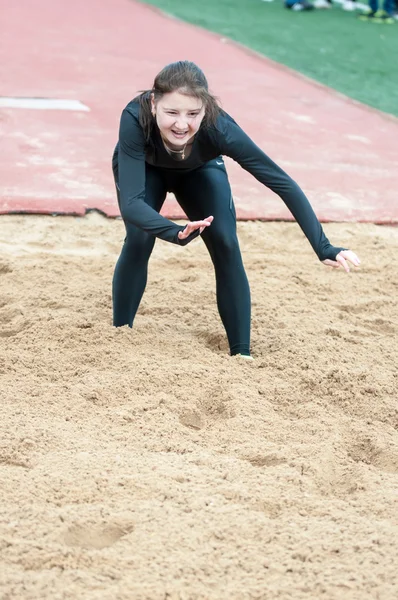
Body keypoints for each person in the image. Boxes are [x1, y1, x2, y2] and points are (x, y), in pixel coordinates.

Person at [112, 61, 360, 360]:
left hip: (199, 170)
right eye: (172, 112)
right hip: (146, 170)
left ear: (206, 108)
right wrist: (175, 232)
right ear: (154, 104)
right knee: (139, 237)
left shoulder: (220, 128)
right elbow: (132, 204)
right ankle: (119, 336)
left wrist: (323, 247)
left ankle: (241, 353)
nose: (181, 124)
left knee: (226, 242)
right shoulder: (134, 118)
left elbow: (281, 182)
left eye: (193, 114)